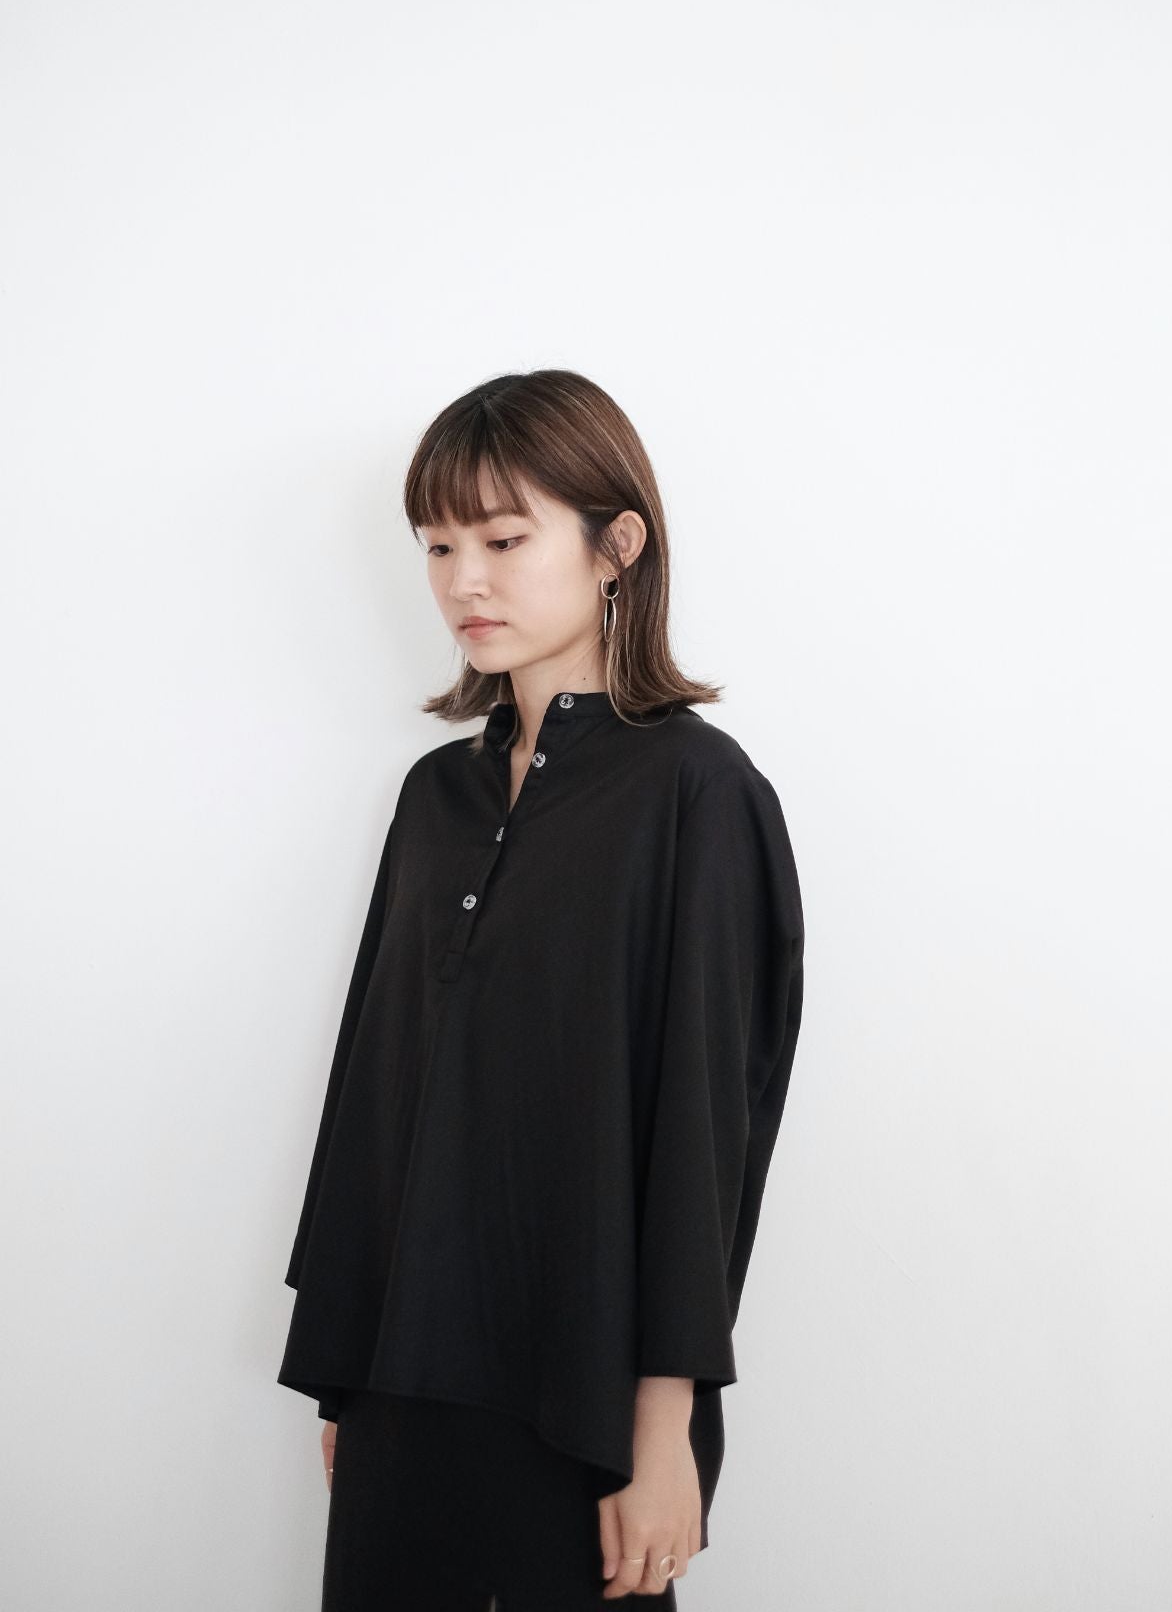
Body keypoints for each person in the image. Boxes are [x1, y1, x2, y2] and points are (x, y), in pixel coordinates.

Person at [278, 370, 807, 1610]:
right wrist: (347, 1376)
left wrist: (663, 1432)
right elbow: (374, 1093)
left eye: (505, 540)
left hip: (585, 1402)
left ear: (617, 545)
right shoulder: (435, 798)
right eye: (437, 545)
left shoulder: (696, 794)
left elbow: (706, 1132)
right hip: (402, 1380)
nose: (464, 580)